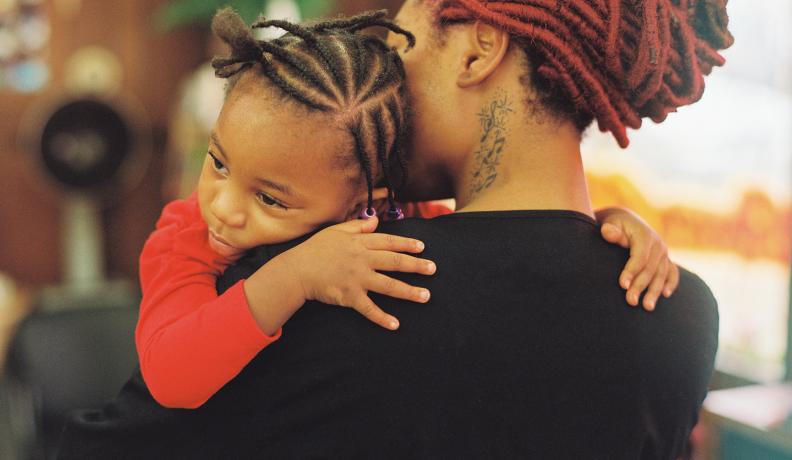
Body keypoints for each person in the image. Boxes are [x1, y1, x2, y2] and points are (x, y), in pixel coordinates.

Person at [59, 1, 730, 458]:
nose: (382, 86)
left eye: (400, 49)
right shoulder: (681, 314)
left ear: (477, 52)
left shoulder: (334, 282)